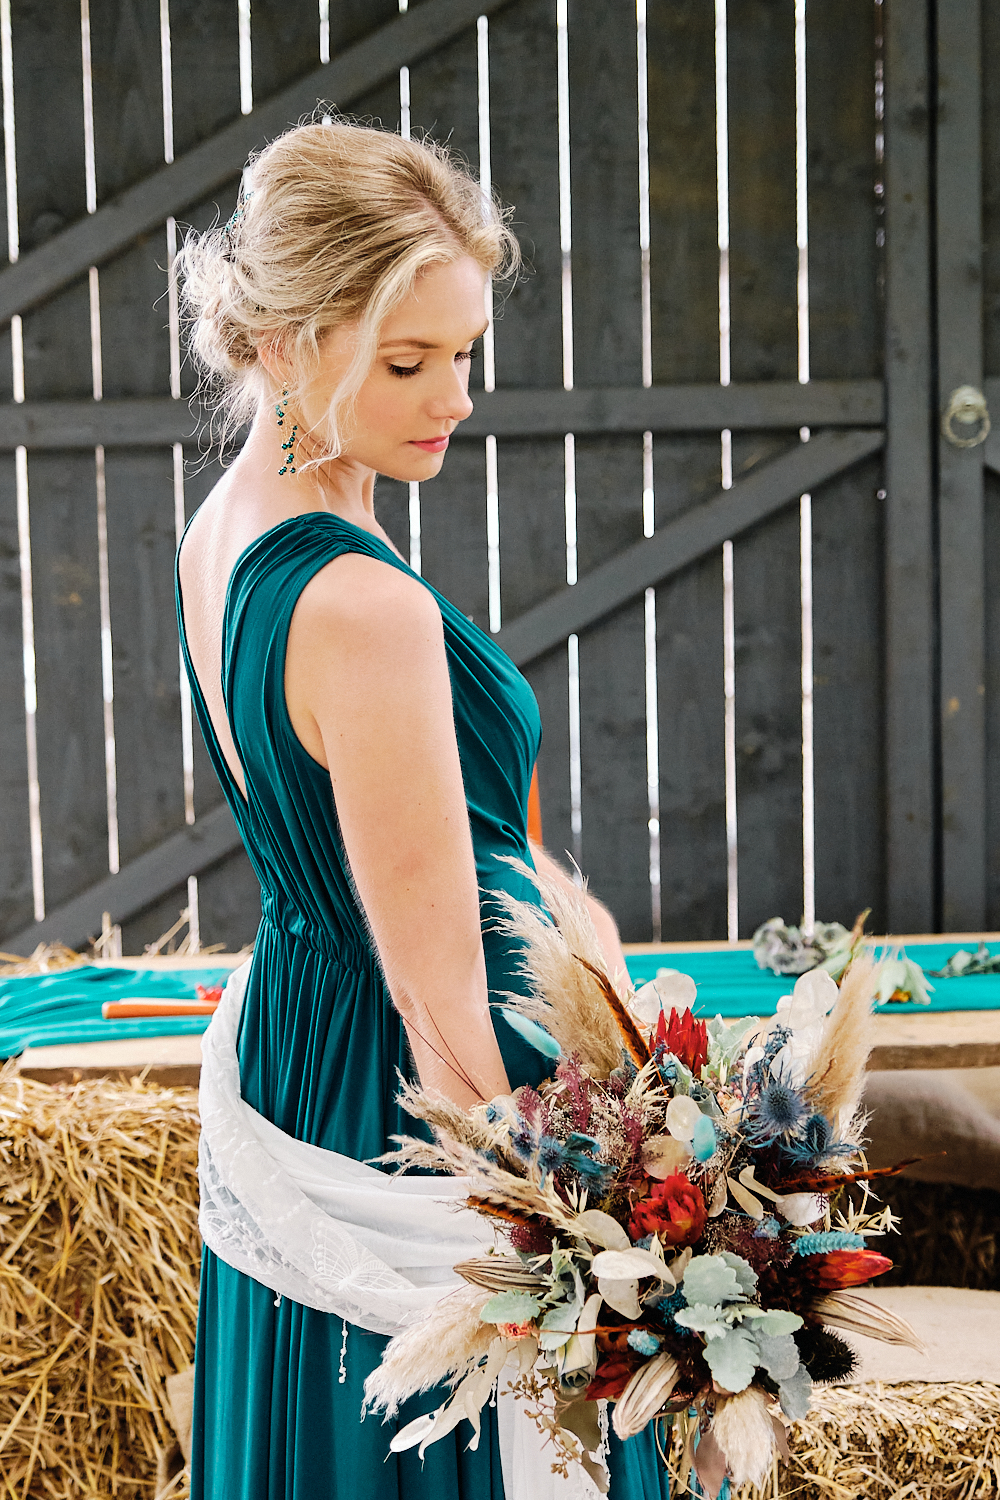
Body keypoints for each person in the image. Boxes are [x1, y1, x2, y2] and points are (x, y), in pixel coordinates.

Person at [175, 119, 668, 1500]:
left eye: (463, 353)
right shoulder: (363, 608)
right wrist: (595, 1244)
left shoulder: (238, 519)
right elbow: (446, 1011)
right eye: (407, 361)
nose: (452, 395)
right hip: (411, 1084)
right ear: (280, 341)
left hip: (308, 1030)